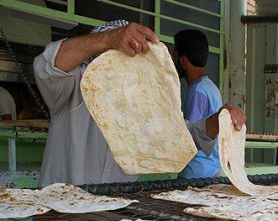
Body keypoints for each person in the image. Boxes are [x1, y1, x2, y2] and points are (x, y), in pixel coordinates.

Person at [33, 20, 246, 187]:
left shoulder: (143, 103)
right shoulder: (73, 87)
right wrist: (109, 39)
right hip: (59, 213)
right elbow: (47, 65)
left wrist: (217, 121)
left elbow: (180, 135)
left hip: (110, 219)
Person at [173, 29, 222, 179]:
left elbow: (190, 138)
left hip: (196, 173)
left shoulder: (197, 91)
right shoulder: (210, 87)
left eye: (174, 55)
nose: (172, 61)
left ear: (183, 60)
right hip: (212, 168)